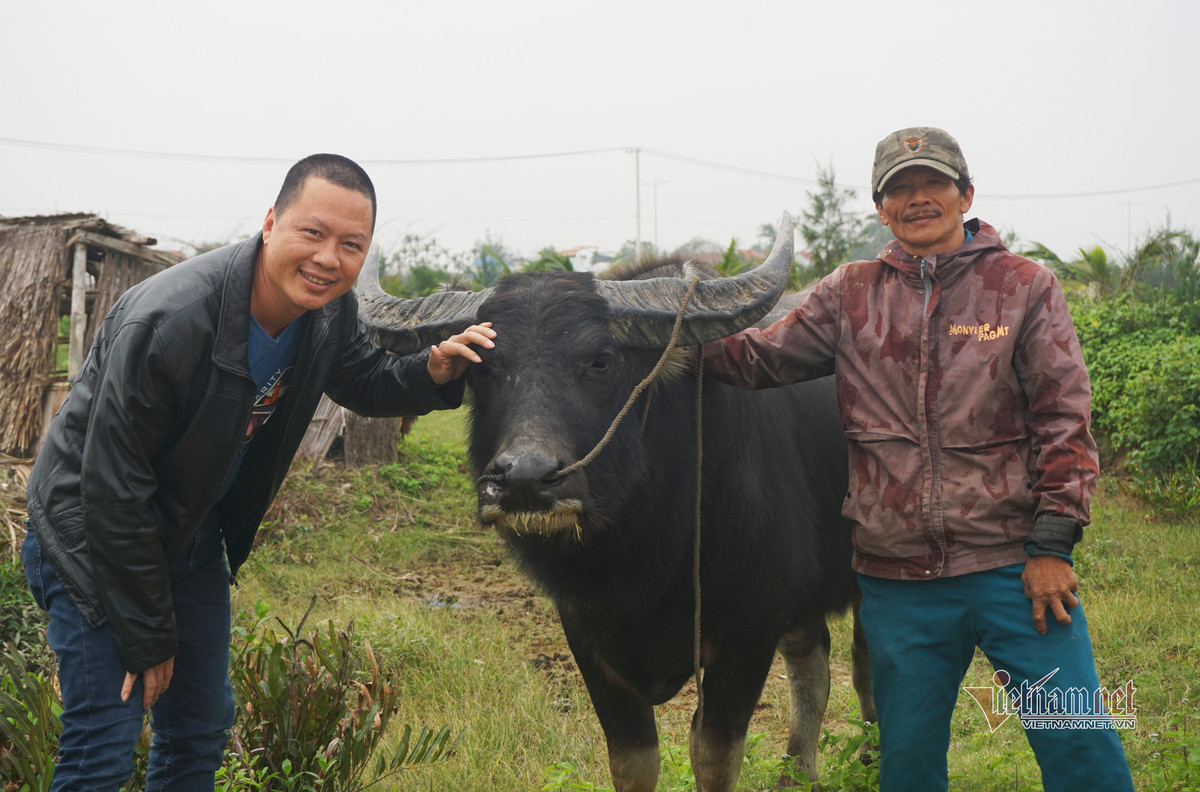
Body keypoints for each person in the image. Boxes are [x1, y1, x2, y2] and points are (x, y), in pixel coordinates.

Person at [22, 153, 496, 791]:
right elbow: (112, 488)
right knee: (103, 744)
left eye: (351, 244)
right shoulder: (169, 323)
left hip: (190, 533)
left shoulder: (328, 313)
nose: (328, 258)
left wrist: (431, 373)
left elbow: (363, 377)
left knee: (198, 731)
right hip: (94, 538)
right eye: (313, 232)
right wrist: (147, 634)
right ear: (271, 223)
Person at [702, 128, 1135, 790]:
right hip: (899, 581)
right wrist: (652, 341)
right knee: (907, 764)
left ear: (966, 194)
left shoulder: (1023, 288)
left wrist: (1053, 544)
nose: (918, 198)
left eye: (934, 182)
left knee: (1079, 742)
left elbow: (1064, 417)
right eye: (899, 189)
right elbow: (756, 358)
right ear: (882, 209)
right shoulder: (850, 292)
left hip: (1015, 568)